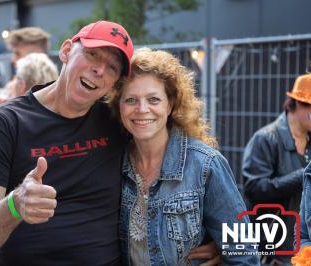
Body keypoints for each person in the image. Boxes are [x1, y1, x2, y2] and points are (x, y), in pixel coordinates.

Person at [0, 21, 220, 266]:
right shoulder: (7, 122)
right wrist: (14, 205)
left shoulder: (117, 119)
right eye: (94, 55)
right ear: (66, 50)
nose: (99, 70)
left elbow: (191, 168)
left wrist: (220, 241)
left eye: (112, 67)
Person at [110, 47, 259, 265]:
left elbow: (244, 254)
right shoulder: (113, 163)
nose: (142, 109)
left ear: (170, 104)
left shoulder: (205, 165)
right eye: (131, 100)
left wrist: (223, 249)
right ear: (119, 105)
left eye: (153, 99)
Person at [243, 73, 311, 264]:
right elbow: (254, 189)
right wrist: (303, 176)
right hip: (272, 251)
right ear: (298, 104)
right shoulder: (266, 139)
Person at [0, 27, 51, 132]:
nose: (12, 59)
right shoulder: (12, 85)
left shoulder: (55, 90)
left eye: (17, 53)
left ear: (38, 56)